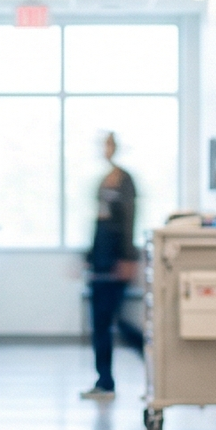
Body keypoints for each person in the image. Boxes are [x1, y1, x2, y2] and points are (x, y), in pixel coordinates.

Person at [80, 131, 145, 400]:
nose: (105, 149)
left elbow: (128, 220)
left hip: (117, 262)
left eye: (109, 144)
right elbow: (99, 224)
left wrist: (128, 259)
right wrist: (87, 258)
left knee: (114, 321)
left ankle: (151, 360)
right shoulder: (104, 181)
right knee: (103, 322)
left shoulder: (124, 180)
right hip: (101, 261)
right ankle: (104, 380)